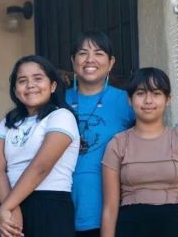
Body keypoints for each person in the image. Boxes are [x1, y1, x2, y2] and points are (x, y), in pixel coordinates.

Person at [101, 67, 178, 237]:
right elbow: (110, 210)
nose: (148, 100)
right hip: (130, 229)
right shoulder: (117, 144)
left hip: (176, 229)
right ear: (130, 100)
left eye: (156, 93)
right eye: (140, 93)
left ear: (168, 99)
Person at [0, 55, 80, 237]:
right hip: (9, 203)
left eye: (38, 78)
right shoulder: (8, 122)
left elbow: (41, 167)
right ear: (15, 90)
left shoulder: (61, 116)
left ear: (53, 86)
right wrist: (10, 208)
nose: (30, 85)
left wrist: (7, 206)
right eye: (22, 81)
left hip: (49, 206)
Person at [66, 30, 135, 237]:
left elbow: (150, 142)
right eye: (82, 53)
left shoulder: (128, 101)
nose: (90, 59)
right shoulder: (57, 101)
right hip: (61, 212)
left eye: (98, 53)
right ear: (73, 61)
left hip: (111, 213)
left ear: (111, 62)